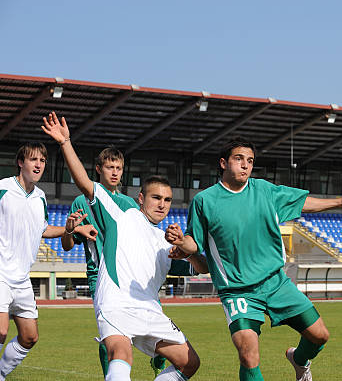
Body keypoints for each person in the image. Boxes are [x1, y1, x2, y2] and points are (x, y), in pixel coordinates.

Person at [165, 137, 342, 381]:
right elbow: (193, 243)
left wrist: (341, 202)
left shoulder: (265, 191)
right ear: (223, 163)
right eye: (239, 159)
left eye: (249, 161)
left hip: (275, 283)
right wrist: (179, 242)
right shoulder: (205, 200)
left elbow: (302, 203)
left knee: (320, 335)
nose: (245, 165)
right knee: (248, 354)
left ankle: (299, 360)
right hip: (238, 291)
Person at [42, 112, 207, 381]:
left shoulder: (165, 241)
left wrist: (189, 250)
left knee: (190, 362)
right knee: (121, 355)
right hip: (116, 303)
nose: (162, 204)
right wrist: (65, 143)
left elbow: (200, 268)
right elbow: (85, 183)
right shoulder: (122, 215)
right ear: (141, 198)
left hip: (151, 310)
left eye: (167, 199)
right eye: (156, 197)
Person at [60, 147, 180, 378]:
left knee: (154, 326)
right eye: (109, 167)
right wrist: (69, 230)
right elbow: (67, 245)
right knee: (111, 338)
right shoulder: (82, 200)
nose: (114, 173)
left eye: (119, 168)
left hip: (135, 277)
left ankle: (158, 356)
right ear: (98, 169)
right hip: (101, 275)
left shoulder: (131, 204)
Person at [0, 142, 97, 381]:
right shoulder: (2, 189)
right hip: (0, 274)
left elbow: (44, 229)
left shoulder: (41, 197)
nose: (38, 165)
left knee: (30, 337)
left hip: (22, 279)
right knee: (0, 331)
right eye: (33, 160)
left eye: (42, 161)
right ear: (20, 163)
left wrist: (70, 228)